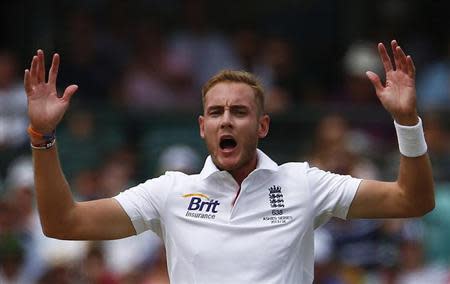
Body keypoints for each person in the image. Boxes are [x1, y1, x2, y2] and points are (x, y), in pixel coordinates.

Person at [23, 40, 434, 284]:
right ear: (202, 127)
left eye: (239, 111)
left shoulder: (304, 184)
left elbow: (410, 201)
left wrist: (406, 121)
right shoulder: (168, 192)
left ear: (263, 126)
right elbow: (64, 222)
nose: (226, 119)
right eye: (216, 112)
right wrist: (42, 137)